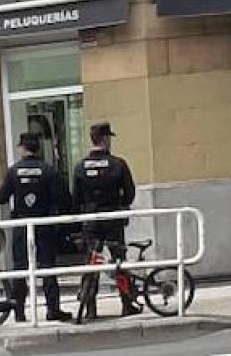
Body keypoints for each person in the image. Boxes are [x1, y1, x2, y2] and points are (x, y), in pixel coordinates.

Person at [0, 132, 72, 322]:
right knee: (47, 267)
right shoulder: (48, 170)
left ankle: (19, 311)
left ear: (22, 148)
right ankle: (53, 309)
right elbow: (63, 199)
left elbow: (1, 197)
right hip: (44, 223)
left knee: (20, 268)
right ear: (38, 148)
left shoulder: (13, 171)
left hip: (22, 225)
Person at [72, 121, 138, 318]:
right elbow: (130, 193)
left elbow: (75, 198)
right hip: (113, 219)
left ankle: (90, 309)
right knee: (119, 262)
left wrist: (80, 219)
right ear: (106, 139)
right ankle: (127, 304)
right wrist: (121, 205)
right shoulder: (118, 164)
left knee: (91, 264)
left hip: (91, 221)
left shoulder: (80, 167)